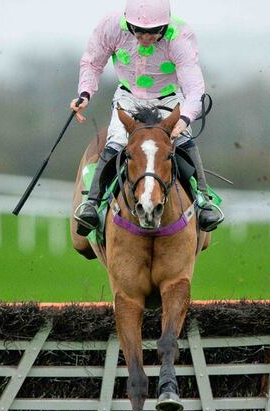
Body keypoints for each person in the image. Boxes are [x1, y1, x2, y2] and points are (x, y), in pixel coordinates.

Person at [71, 0, 223, 235]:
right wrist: (85, 93)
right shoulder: (112, 27)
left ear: (164, 27)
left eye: (153, 31)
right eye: (139, 30)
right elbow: (92, 62)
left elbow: (194, 89)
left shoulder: (180, 36)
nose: (145, 36)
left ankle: (204, 201)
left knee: (183, 140)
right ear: (128, 24)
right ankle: (92, 203)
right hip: (128, 98)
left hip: (169, 99)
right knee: (116, 142)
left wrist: (184, 119)